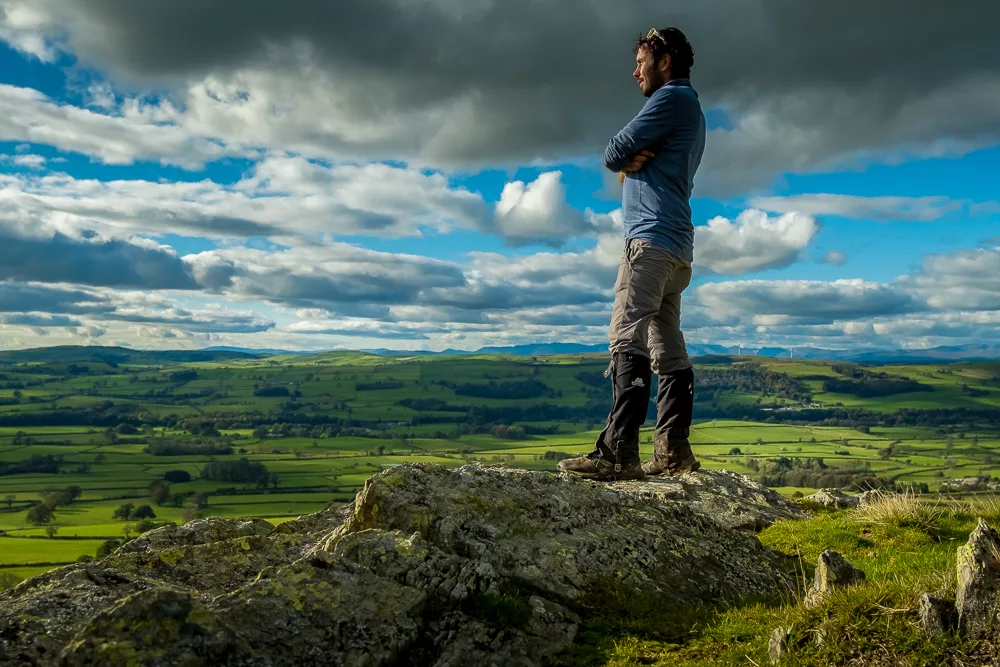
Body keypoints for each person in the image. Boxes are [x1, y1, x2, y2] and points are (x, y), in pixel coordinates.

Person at [559, 26, 706, 481]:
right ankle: (673, 451)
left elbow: (614, 150)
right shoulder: (692, 108)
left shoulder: (669, 100)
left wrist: (625, 161)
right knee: (668, 346)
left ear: (664, 61)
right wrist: (632, 165)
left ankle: (619, 453)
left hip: (650, 241)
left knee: (627, 335)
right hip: (678, 246)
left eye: (641, 61)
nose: (634, 71)